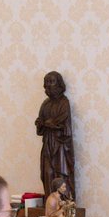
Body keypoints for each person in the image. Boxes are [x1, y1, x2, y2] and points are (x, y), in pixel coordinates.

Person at [36, 71, 75, 199]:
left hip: (61, 146)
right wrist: (42, 123)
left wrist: (51, 123)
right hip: (48, 143)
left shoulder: (64, 102)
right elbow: (40, 124)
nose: (49, 85)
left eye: (52, 82)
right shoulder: (45, 104)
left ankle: (64, 203)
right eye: (47, 82)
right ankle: (50, 201)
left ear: (59, 84)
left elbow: (63, 123)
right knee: (47, 172)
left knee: (60, 173)